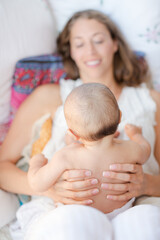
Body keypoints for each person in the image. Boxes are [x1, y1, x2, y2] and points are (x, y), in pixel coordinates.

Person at [0, 9, 159, 236]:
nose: (91, 50)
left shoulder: (151, 100)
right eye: (80, 43)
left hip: (140, 205)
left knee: (147, 223)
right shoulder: (48, 96)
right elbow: (2, 167)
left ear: (115, 44)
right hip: (62, 209)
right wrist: (51, 189)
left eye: (98, 40)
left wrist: (146, 184)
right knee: (75, 223)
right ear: (71, 51)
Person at [27, 82, 150, 214]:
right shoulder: (129, 149)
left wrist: (36, 163)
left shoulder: (66, 156)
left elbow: (37, 184)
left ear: (74, 134)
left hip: (79, 215)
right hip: (121, 213)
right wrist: (136, 135)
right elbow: (145, 150)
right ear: (120, 117)